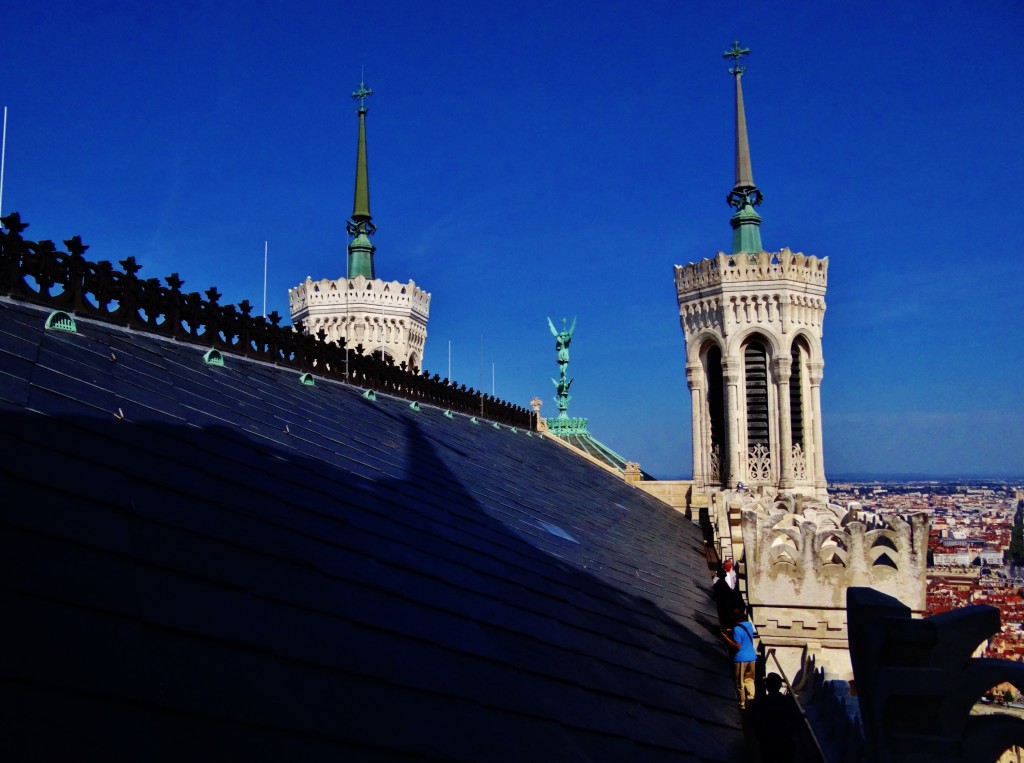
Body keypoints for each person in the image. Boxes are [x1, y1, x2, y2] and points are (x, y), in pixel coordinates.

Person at [750, 672, 802, 761]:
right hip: (786, 745)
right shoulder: (789, 703)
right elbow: (797, 723)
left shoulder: (761, 702)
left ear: (768, 686)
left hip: (768, 744)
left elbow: (753, 720)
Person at [724, 606, 757, 709]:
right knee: (750, 679)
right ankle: (751, 698)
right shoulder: (749, 624)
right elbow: (745, 634)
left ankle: (742, 704)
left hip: (741, 658)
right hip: (752, 657)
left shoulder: (736, 629)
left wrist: (726, 637)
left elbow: (737, 646)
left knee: (740, 682)